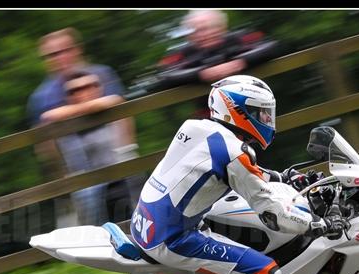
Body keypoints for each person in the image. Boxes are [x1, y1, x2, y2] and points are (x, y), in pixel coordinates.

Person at [130, 75, 346, 274]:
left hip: (145, 222)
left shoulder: (197, 127)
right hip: (173, 237)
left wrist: (281, 176)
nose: (267, 121)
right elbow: (273, 215)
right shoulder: (235, 152)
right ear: (239, 112)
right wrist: (317, 224)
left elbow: (236, 173)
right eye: (261, 114)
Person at [28, 27, 140, 226]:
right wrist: (61, 176)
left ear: (77, 49)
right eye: (52, 54)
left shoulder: (103, 73)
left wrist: (128, 152)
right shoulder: (42, 96)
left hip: (117, 158)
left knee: (137, 218)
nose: (60, 57)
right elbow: (44, 139)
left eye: (65, 50)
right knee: (92, 229)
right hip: (77, 170)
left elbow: (119, 107)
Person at [40, 70, 141, 225]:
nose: (84, 92)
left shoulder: (112, 104)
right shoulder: (63, 121)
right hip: (86, 189)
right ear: (68, 96)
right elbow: (47, 117)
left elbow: (114, 100)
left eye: (90, 86)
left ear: (99, 87)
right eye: (75, 90)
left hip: (120, 179)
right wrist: (87, 108)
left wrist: (79, 109)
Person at [126, 10, 278, 105]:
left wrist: (239, 62)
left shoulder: (238, 39)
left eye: (206, 29)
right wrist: (202, 73)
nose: (201, 35)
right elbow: (164, 75)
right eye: (196, 31)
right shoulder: (186, 52)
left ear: (221, 27)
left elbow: (270, 46)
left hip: (251, 107)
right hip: (209, 118)